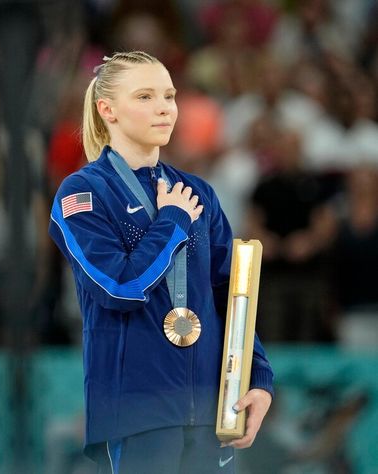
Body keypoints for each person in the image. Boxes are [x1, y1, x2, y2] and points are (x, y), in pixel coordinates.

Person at [49, 51, 273, 474]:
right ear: (107, 109)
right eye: (146, 96)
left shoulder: (198, 192)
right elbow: (119, 288)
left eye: (169, 95)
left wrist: (257, 378)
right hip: (137, 410)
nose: (164, 107)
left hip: (208, 410)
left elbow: (232, 294)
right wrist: (171, 222)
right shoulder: (82, 194)